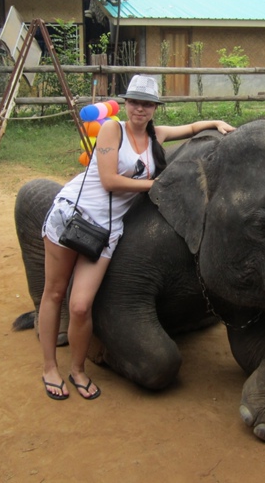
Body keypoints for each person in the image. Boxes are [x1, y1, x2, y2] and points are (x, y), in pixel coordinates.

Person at [39, 74, 235, 400]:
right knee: (55, 294)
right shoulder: (112, 129)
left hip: (107, 229)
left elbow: (188, 130)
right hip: (72, 215)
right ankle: (49, 367)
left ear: (155, 107)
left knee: (80, 306)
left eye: (146, 103)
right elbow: (108, 180)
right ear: (126, 103)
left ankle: (77, 370)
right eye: (134, 102)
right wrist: (157, 186)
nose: (139, 109)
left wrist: (215, 122)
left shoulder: (156, 136)